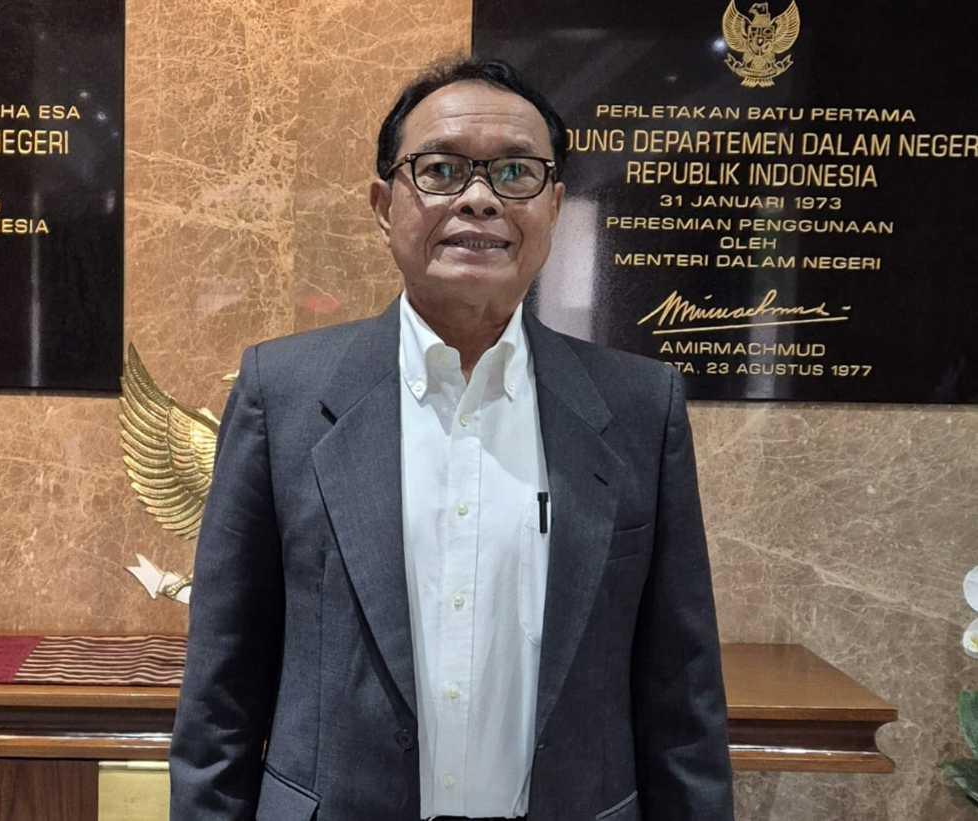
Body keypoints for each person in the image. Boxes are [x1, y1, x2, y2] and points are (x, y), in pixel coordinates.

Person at [169, 58, 734, 821]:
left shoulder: (638, 408)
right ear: (384, 205)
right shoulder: (285, 396)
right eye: (440, 170)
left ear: (555, 206)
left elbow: (681, 698)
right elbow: (221, 696)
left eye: (515, 172)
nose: (479, 199)